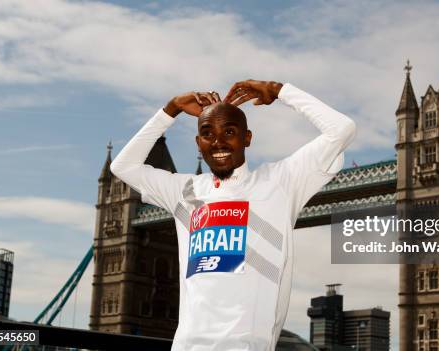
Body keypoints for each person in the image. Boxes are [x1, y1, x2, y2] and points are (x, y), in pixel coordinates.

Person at [110, 79, 356, 350]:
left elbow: (341, 129)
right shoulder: (185, 191)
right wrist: (172, 108)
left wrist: (279, 90)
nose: (218, 142)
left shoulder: (280, 182)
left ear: (247, 138)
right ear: (198, 142)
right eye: (207, 133)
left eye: (229, 131)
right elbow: (123, 166)